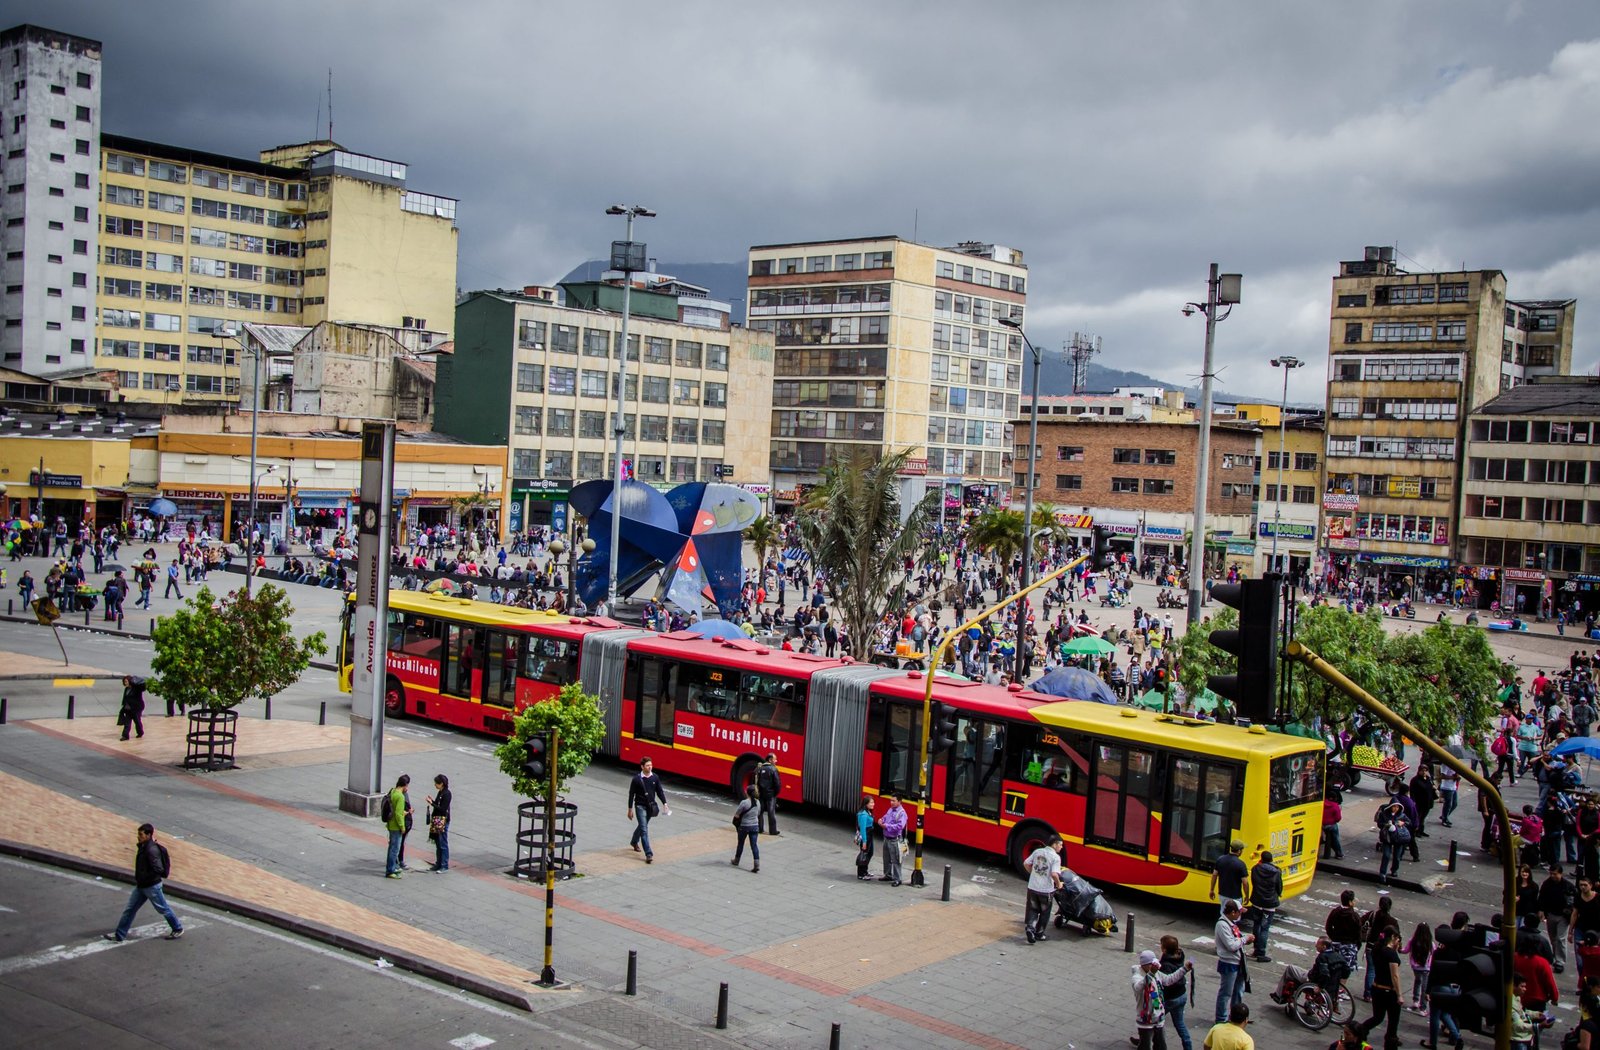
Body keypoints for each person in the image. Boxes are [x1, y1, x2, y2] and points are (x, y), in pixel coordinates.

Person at [104, 823, 183, 941]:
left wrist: (145, 877)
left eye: (140, 834)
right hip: (142, 886)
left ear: (148, 835)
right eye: (138, 834)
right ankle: (119, 935)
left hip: (151, 887)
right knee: (130, 910)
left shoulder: (151, 850)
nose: (138, 836)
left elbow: (159, 869)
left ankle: (177, 928)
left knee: (163, 909)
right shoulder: (144, 846)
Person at [1132, 947, 1192, 1050]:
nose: (1155, 967)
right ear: (1145, 965)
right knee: (1145, 1046)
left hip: (1158, 1018)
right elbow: (1138, 987)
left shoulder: (1156, 974)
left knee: (1161, 1046)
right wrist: (1151, 974)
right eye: (1152, 965)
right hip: (1146, 1020)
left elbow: (1169, 979)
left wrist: (1184, 969)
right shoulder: (1137, 977)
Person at [1357, 926, 1403, 1050]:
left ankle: (1360, 1031)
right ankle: (1390, 1044)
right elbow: (1395, 975)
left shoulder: (1377, 949)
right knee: (1393, 1022)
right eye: (1397, 938)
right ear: (1393, 937)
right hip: (1389, 991)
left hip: (1376, 988)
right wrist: (1399, 994)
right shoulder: (1391, 954)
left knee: (1377, 1017)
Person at [1271, 935, 1351, 1006]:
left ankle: (1278, 995)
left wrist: (1320, 987)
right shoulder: (1338, 956)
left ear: (1324, 947)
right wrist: (1336, 979)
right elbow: (1347, 971)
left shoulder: (1322, 957)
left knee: (1290, 969)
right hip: (1331, 985)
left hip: (1312, 980)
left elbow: (1325, 974)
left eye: (1318, 944)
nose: (1316, 945)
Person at [1214, 899, 1254, 1024]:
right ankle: (1221, 1019)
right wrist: (1244, 939)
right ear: (1232, 912)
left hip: (1239, 962)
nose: (1240, 915)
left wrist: (1244, 939)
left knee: (1238, 991)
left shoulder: (1231, 923)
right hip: (1229, 963)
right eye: (1239, 912)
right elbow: (1231, 945)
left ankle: (1237, 1016)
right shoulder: (1222, 925)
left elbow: (1237, 939)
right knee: (1226, 993)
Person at [1023, 833, 1064, 944]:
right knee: (1045, 912)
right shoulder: (1055, 857)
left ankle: (1030, 929)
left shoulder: (1037, 852)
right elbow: (1054, 874)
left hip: (1032, 887)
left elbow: (1026, 863)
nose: (1061, 847)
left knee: (1032, 909)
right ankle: (1039, 933)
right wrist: (1059, 884)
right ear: (1055, 844)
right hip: (1046, 890)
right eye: (1060, 845)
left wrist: (1033, 873)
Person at [1157, 934, 1196, 1050]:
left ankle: (1147, 1040)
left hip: (1170, 998)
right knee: (1180, 1024)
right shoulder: (1180, 955)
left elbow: (1167, 981)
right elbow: (1192, 959)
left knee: (1154, 1020)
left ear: (1164, 949)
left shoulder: (1166, 965)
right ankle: (1188, 1046)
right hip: (1181, 995)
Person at [626, 757, 668, 864]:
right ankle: (648, 854)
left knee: (642, 826)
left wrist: (665, 804)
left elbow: (660, 791)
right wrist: (630, 809)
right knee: (644, 829)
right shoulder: (636, 779)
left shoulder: (655, 777)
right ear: (642, 767)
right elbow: (631, 795)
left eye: (651, 765)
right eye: (647, 765)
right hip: (640, 806)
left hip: (650, 807)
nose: (650, 767)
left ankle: (634, 841)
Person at [1362, 894, 1399, 1000]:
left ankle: (1368, 994)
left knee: (1371, 970)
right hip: (1385, 950)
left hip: (1371, 947)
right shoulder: (1393, 921)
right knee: (1382, 971)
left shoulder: (1372, 915)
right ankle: (1377, 991)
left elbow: (1360, 922)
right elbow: (1398, 936)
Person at [1248, 849, 1282, 963]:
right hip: (1270, 903)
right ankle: (1261, 952)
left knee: (1256, 925)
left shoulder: (1255, 869)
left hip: (1257, 901)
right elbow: (1279, 886)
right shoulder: (1276, 872)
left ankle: (1256, 949)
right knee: (1265, 928)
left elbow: (1253, 882)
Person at [1542, 864, 1576, 973]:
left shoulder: (1568, 886)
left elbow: (1573, 901)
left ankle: (1560, 961)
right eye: (1551, 873)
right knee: (1553, 938)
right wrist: (1542, 910)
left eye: (1555, 874)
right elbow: (1542, 897)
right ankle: (1556, 955)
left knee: (1561, 939)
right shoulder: (1547, 884)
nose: (1552, 876)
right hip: (1551, 914)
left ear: (1560, 874)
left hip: (1563, 916)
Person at [1209, 839, 1250, 914]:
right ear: (1239, 851)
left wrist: (1212, 890)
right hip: (1235, 896)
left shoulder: (1220, 859)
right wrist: (1247, 896)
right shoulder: (1241, 864)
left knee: (1223, 912)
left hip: (1222, 893)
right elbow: (1245, 883)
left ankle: (1223, 925)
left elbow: (1214, 875)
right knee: (1234, 915)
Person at [383, 774, 410, 878]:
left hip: (390, 824)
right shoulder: (400, 797)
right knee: (395, 849)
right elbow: (399, 814)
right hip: (396, 826)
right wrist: (402, 827)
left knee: (391, 848)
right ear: (405, 785)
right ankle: (391, 870)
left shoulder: (393, 791)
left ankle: (391, 867)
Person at [730, 784, 761, 872]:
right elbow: (758, 814)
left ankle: (736, 860)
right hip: (755, 826)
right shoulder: (758, 802)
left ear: (747, 793)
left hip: (744, 826)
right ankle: (757, 864)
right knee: (754, 845)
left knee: (741, 843)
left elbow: (737, 815)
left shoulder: (744, 803)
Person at [878, 793, 907, 886]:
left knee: (896, 860)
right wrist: (881, 820)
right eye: (891, 800)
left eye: (894, 801)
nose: (891, 802)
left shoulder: (902, 813)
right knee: (886, 858)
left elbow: (900, 826)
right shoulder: (890, 810)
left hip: (895, 840)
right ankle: (888, 875)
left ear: (899, 801)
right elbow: (886, 817)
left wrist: (886, 826)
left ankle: (898, 879)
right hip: (886, 838)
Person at [1404, 922, 1433, 1010]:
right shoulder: (1430, 943)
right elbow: (1435, 953)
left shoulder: (1413, 941)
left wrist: (1399, 949)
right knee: (1424, 987)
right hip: (1426, 967)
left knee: (1417, 982)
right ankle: (1423, 1006)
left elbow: (1405, 950)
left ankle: (1415, 1001)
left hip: (1415, 967)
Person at [425, 774, 451, 873]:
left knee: (442, 843)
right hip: (437, 820)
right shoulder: (440, 792)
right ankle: (438, 863)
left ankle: (444, 865)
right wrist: (432, 801)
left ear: (442, 784)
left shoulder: (447, 794)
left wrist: (432, 803)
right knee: (438, 843)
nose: (435, 785)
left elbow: (443, 809)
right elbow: (438, 804)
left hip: (442, 820)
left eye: (437, 783)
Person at [755, 753, 782, 836]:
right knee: (771, 813)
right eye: (775, 759)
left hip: (761, 794)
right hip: (771, 795)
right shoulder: (773, 769)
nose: (776, 761)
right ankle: (772, 831)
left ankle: (760, 828)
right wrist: (775, 793)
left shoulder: (760, 768)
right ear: (770, 760)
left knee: (760, 811)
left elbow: (755, 780)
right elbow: (777, 784)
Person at [118, 675, 145, 741]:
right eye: (124, 682)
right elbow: (125, 698)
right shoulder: (126, 689)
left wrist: (136, 681)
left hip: (136, 708)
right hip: (128, 709)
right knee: (127, 723)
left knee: (137, 721)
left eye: (126, 681)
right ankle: (125, 736)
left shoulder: (136, 688)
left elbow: (143, 687)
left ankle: (140, 732)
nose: (125, 683)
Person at [854, 796, 875, 880]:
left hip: (870, 834)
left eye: (873, 802)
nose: (873, 804)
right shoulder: (863, 815)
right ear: (866, 804)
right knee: (864, 854)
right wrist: (865, 842)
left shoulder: (868, 812)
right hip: (866, 835)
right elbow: (863, 829)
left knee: (869, 853)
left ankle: (865, 871)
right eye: (871, 803)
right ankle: (861, 874)